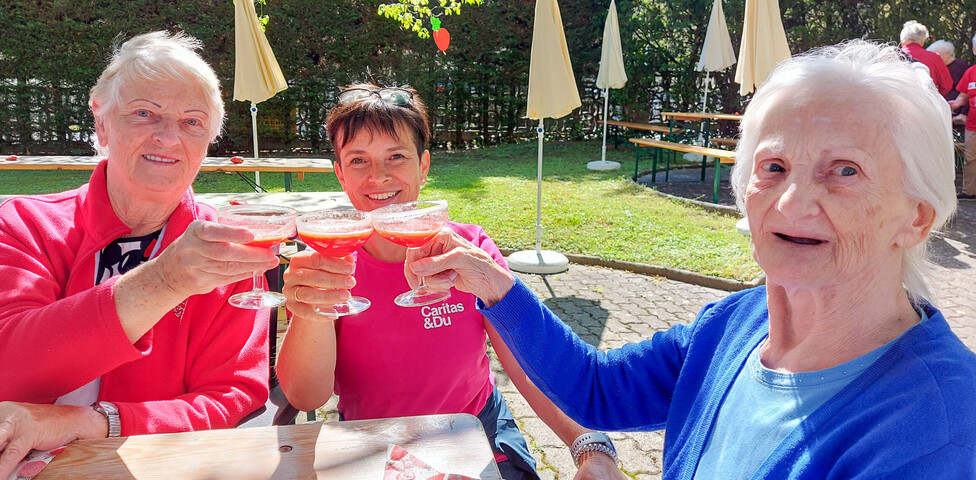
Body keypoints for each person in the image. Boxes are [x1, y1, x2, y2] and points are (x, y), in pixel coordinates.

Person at [408, 41, 976, 478]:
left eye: (845, 170)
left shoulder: (939, 430)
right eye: (773, 167)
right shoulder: (735, 324)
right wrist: (496, 286)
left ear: (918, 216)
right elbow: (598, 390)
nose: (793, 201)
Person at [274, 84, 624, 480]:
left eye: (397, 156)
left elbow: (529, 365)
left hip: (475, 432)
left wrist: (590, 446)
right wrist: (310, 309)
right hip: (373, 446)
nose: (379, 176)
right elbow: (306, 396)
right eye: (358, 160)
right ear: (340, 173)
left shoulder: (469, 250)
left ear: (423, 166)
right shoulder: (329, 262)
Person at [0, 31, 277, 478]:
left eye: (192, 122)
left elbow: (231, 397)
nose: (169, 138)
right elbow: (8, 370)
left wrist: (94, 423)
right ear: (101, 121)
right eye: (144, 113)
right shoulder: (24, 224)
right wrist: (164, 281)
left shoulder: (227, 248)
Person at [949, 34, 976, 200]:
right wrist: (955, 104)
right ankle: (969, 192)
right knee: (970, 158)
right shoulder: (971, 72)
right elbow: (963, 95)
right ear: (974, 50)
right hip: (972, 125)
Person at [901, 20, 953, 95]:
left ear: (902, 42)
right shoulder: (934, 58)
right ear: (922, 41)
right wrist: (934, 96)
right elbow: (947, 85)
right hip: (925, 101)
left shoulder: (891, 57)